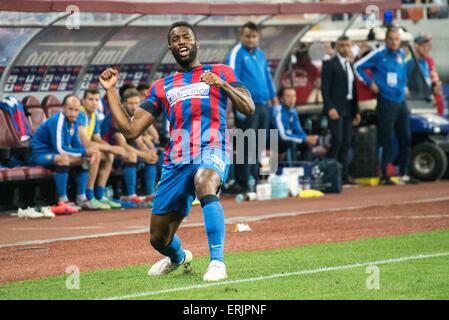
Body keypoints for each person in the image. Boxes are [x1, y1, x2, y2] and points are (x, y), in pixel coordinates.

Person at [99, 21, 254, 281]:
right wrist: (111, 90)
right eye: (176, 39)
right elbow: (130, 130)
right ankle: (178, 257)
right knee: (158, 238)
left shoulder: (221, 71)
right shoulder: (163, 86)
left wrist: (222, 85)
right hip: (177, 160)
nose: (181, 42)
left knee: (205, 180)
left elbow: (248, 107)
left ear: (196, 43)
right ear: (170, 47)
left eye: (186, 37)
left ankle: (217, 262)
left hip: (213, 148)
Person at [354, 27, 418, 185]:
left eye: (397, 39)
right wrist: (370, 83)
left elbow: (401, 74)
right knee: (386, 137)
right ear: (386, 40)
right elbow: (357, 67)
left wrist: (405, 86)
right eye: (391, 39)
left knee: (405, 137)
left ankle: (404, 173)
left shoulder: (402, 54)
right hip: (386, 100)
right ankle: (384, 174)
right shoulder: (379, 54)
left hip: (401, 101)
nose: (394, 42)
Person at [226, 21, 278, 191]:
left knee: (259, 142)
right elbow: (231, 78)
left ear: (258, 38)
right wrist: (238, 102)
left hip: (263, 104)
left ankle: (255, 179)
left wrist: (273, 96)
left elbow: (267, 76)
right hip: (245, 104)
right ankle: (242, 182)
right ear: (242, 36)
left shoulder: (261, 54)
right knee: (245, 142)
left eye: (253, 36)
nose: (250, 39)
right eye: (247, 36)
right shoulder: (236, 54)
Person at [28, 95, 99, 214]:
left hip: (54, 154)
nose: (73, 113)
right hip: (39, 155)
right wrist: (85, 151)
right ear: (64, 108)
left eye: (76, 110)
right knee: (64, 159)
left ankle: (81, 198)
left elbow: (76, 142)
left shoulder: (74, 121)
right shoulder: (57, 120)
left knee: (84, 160)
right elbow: (60, 149)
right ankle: (62, 200)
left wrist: (86, 153)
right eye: (70, 109)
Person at [321, 35, 361, 185]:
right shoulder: (330, 64)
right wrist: (330, 107)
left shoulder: (350, 65)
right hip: (336, 108)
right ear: (337, 47)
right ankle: (329, 173)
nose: (345, 48)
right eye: (342, 45)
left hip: (349, 107)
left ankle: (344, 176)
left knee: (346, 142)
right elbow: (325, 88)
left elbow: (354, 89)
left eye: (348, 45)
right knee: (337, 140)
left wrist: (357, 111)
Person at [77, 88, 125, 209]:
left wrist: (111, 148)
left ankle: (100, 195)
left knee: (109, 155)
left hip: (84, 149)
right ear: (83, 101)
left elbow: (97, 138)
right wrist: (112, 149)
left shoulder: (94, 115)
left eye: (96, 100)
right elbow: (85, 142)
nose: (94, 103)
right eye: (90, 99)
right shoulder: (80, 113)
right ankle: (89, 196)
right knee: (97, 154)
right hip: (75, 149)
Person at [270, 87, 318, 165]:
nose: (292, 99)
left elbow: (298, 130)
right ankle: (291, 170)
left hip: (287, 139)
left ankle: (304, 171)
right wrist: (304, 139)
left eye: (294, 96)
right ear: (281, 99)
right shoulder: (277, 110)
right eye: (288, 96)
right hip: (274, 140)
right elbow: (282, 135)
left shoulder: (293, 111)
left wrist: (307, 139)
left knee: (307, 145)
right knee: (291, 143)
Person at [406, 35, 433, 100]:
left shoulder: (425, 63)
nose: (426, 48)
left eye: (427, 46)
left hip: (426, 100)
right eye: (423, 46)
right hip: (415, 101)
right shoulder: (411, 63)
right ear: (416, 46)